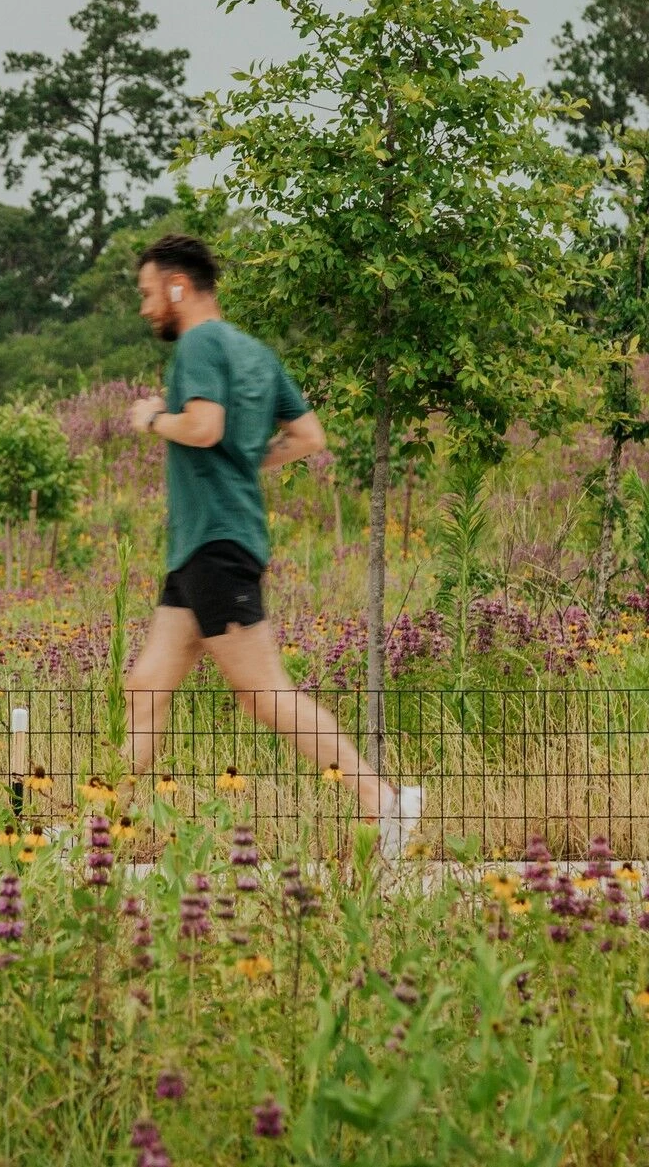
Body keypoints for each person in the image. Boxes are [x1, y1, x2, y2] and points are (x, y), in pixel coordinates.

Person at [122, 232, 423, 857]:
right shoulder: (255, 352)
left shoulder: (200, 343)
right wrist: (242, 467)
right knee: (146, 685)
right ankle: (105, 828)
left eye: (150, 294)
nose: (147, 308)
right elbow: (309, 435)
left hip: (216, 543)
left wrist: (153, 417)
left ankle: (384, 802)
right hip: (204, 544)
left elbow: (203, 427)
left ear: (179, 287)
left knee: (265, 694)